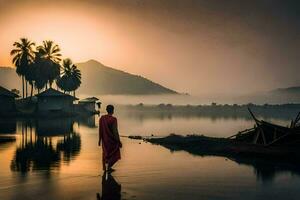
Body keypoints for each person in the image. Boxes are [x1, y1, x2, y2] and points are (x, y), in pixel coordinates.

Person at [99, 105, 122, 172]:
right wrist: (119, 141)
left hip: (105, 140)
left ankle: (105, 168)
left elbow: (100, 130)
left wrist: (99, 139)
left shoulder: (102, 118)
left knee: (105, 154)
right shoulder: (113, 119)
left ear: (107, 110)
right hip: (112, 141)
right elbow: (115, 132)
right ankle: (108, 167)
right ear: (113, 110)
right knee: (115, 153)